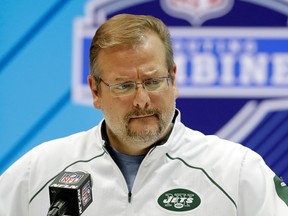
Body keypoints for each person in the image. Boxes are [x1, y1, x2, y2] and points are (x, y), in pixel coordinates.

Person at [0, 14, 287, 216]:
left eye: (152, 82)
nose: (142, 100)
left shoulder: (237, 171)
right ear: (95, 91)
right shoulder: (38, 171)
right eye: (124, 86)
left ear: (173, 80)